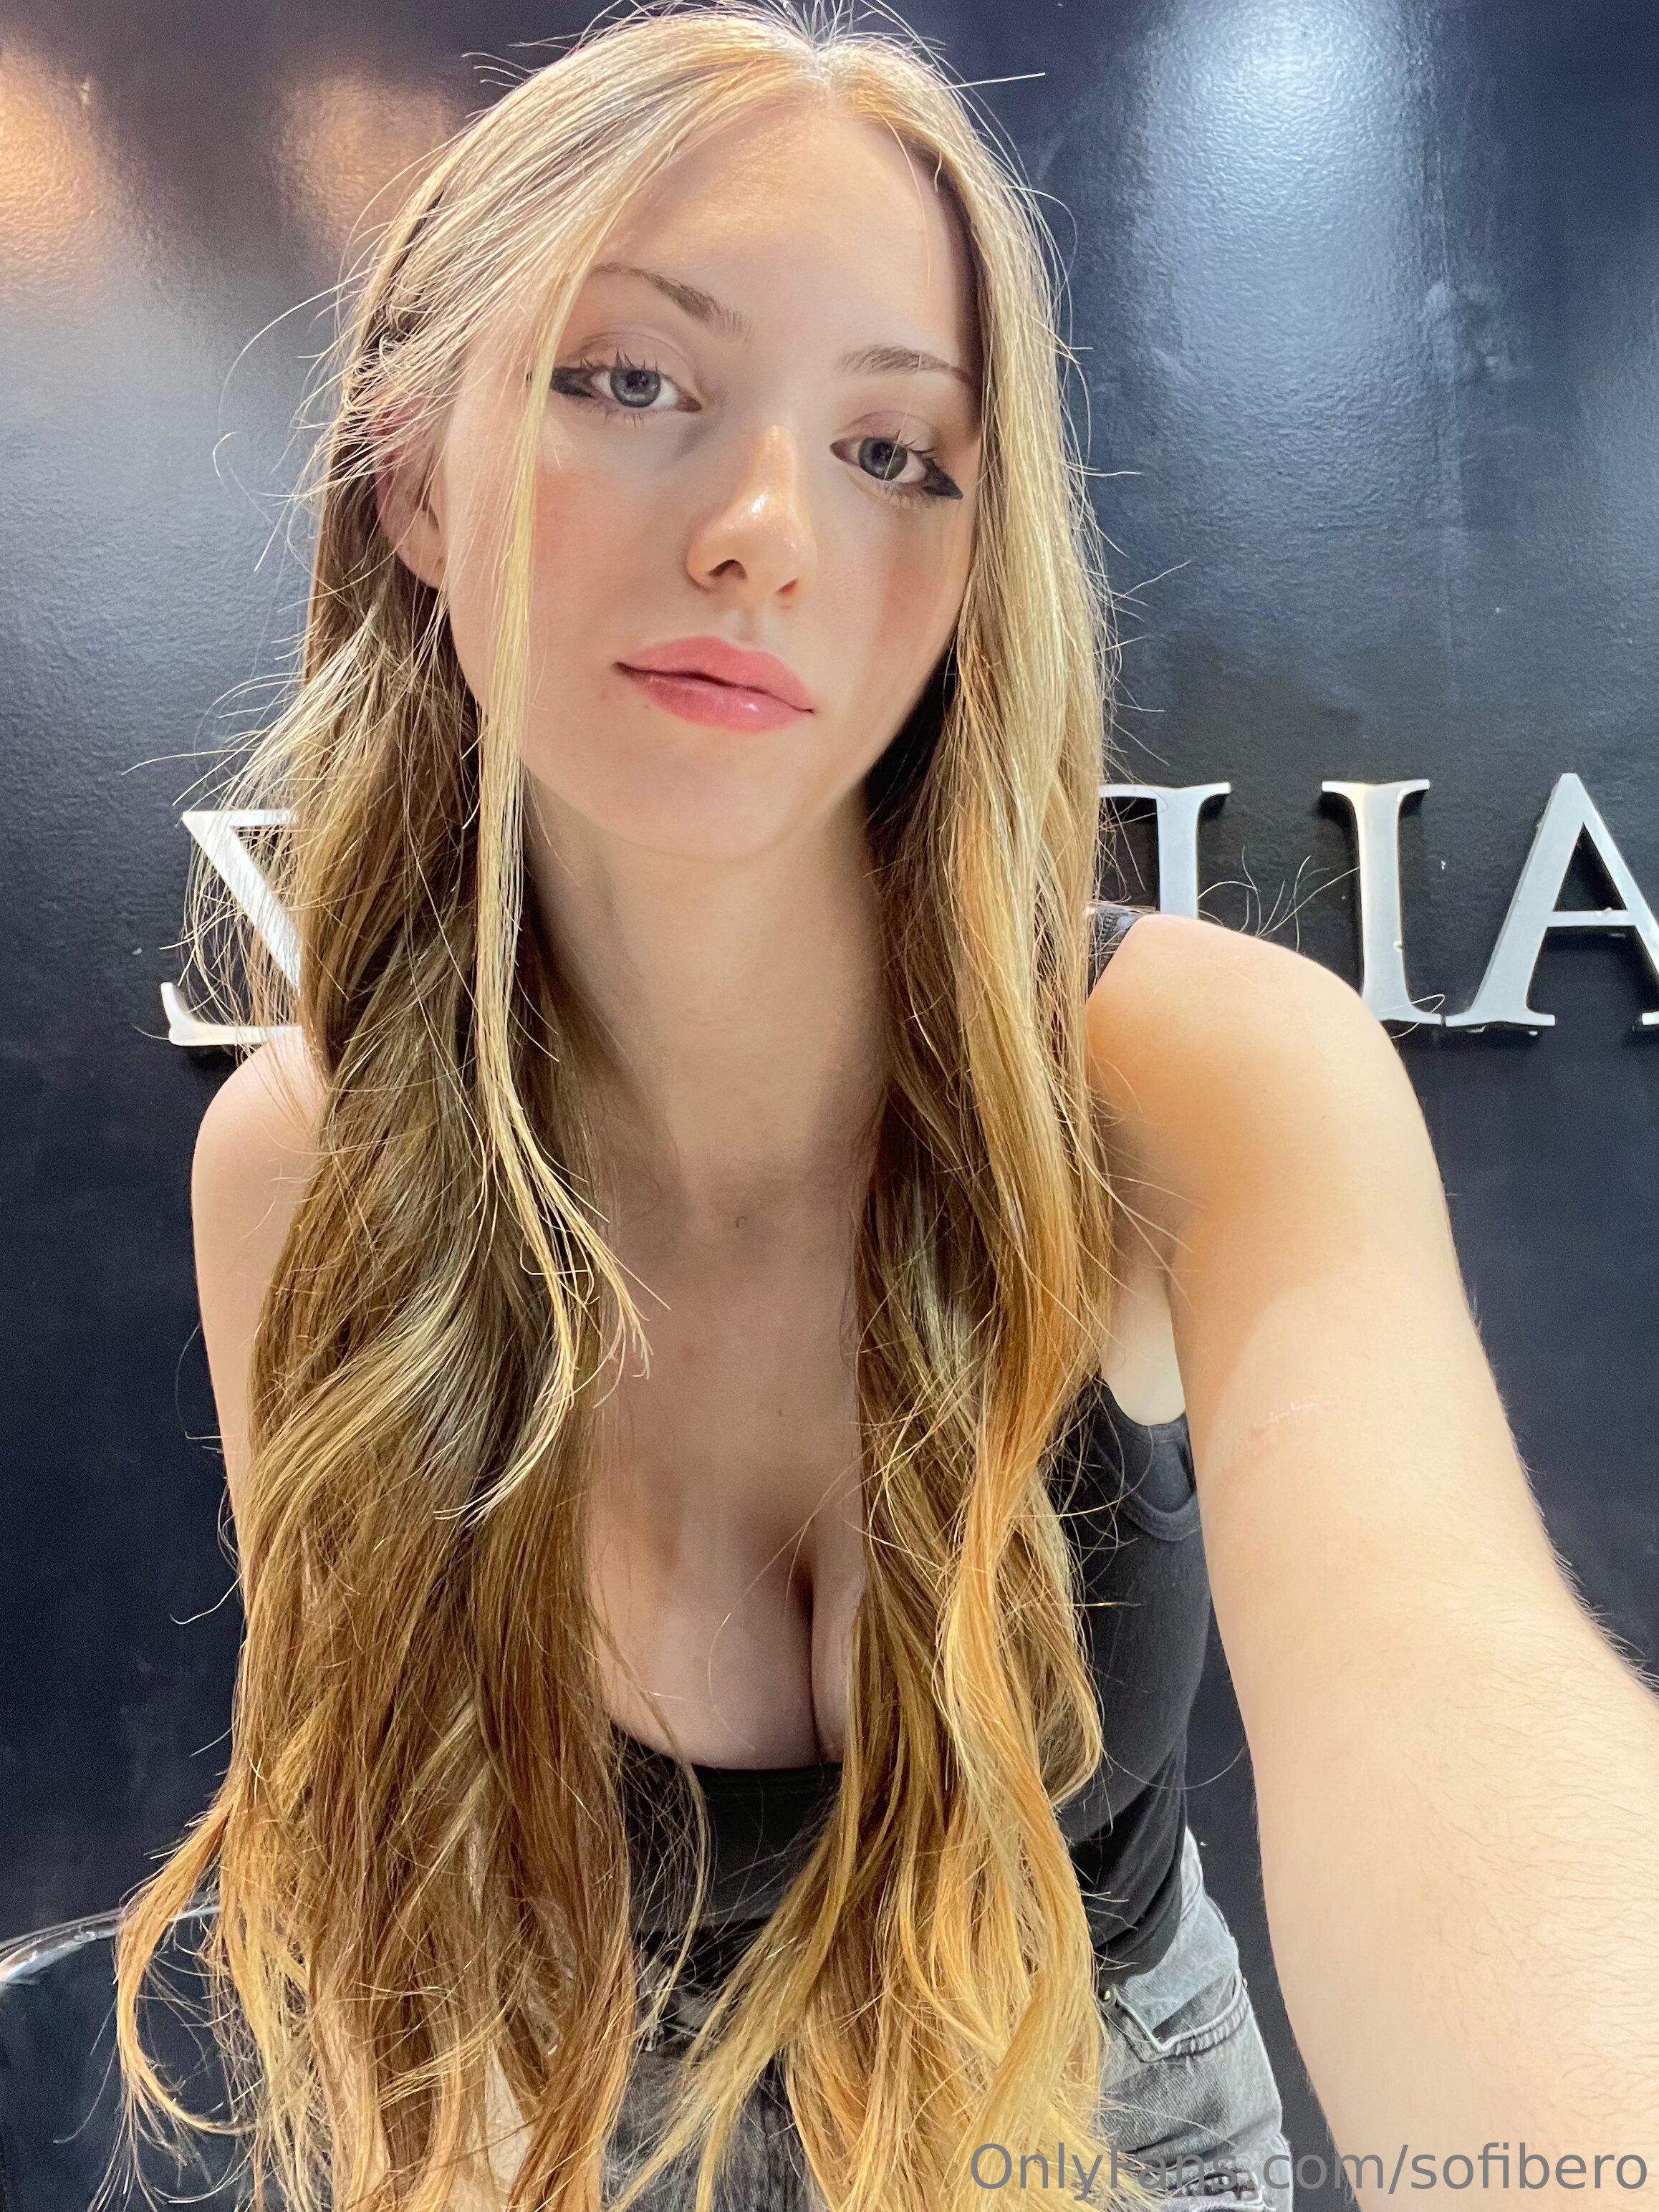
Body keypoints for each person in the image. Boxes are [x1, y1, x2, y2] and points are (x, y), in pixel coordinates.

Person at [110, 6, 1659, 2211]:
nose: (765, 530)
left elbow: (1455, 1714)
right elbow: (377, 1892)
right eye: (628, 379)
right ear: (413, 478)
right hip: (574, 2117)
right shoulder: (305, 1159)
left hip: (1089, 2114)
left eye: (894, 451)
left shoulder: (1186, 1073)